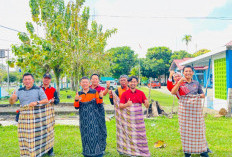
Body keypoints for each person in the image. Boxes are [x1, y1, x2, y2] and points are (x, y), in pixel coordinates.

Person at [9, 73, 54, 157]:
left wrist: (37, 102)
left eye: (29, 79)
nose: (27, 81)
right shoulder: (19, 90)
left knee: (38, 135)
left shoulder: (38, 89)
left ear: (33, 80)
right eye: (25, 79)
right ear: (23, 81)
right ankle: (27, 152)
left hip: (36, 117)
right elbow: (12, 102)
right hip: (23, 118)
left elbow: (45, 100)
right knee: (25, 136)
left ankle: (41, 151)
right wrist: (12, 97)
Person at [171, 65, 209, 157]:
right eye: (186, 71)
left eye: (189, 71)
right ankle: (187, 152)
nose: (188, 73)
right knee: (185, 130)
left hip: (195, 112)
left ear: (192, 73)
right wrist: (179, 82)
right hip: (184, 111)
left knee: (199, 129)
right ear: (183, 73)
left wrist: (200, 96)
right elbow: (173, 92)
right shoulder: (181, 83)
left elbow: (202, 94)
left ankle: (202, 151)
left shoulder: (196, 83)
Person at [113, 76, 150, 157]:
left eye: (134, 81)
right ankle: (132, 151)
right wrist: (127, 104)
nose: (133, 83)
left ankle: (142, 151)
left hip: (139, 118)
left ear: (137, 83)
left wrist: (147, 103)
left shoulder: (141, 93)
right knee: (131, 134)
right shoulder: (125, 94)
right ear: (128, 83)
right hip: (129, 119)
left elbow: (146, 105)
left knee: (141, 134)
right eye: (131, 82)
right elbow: (120, 106)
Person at [74, 77, 107, 157]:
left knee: (95, 133)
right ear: (80, 84)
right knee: (85, 135)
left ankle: (97, 152)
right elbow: (76, 107)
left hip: (94, 118)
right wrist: (76, 100)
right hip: (84, 119)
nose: (85, 84)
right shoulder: (79, 93)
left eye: (86, 82)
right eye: (83, 82)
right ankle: (87, 152)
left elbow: (99, 103)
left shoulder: (94, 92)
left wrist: (101, 97)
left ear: (89, 84)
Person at [41, 73, 60, 156]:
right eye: (45, 78)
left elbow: (57, 101)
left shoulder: (53, 89)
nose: (46, 80)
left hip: (49, 112)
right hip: (39, 112)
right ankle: (40, 150)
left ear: (50, 80)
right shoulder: (38, 89)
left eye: (48, 78)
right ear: (42, 79)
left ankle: (50, 150)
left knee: (49, 130)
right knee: (40, 130)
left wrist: (54, 101)